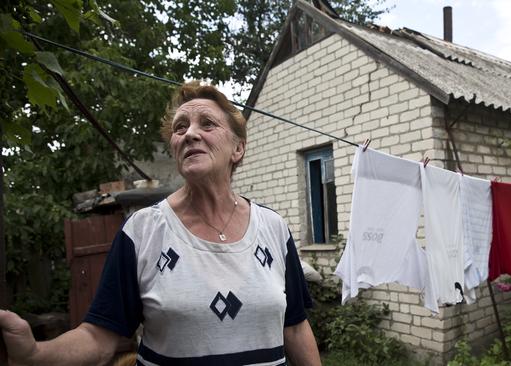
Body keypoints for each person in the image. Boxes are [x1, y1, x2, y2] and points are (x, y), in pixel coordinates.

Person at [0, 81, 321, 365]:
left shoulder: (273, 228)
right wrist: (34, 355)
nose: (190, 133)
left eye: (207, 124)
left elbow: (294, 326)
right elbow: (99, 338)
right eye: (180, 128)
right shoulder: (142, 232)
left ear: (238, 148)